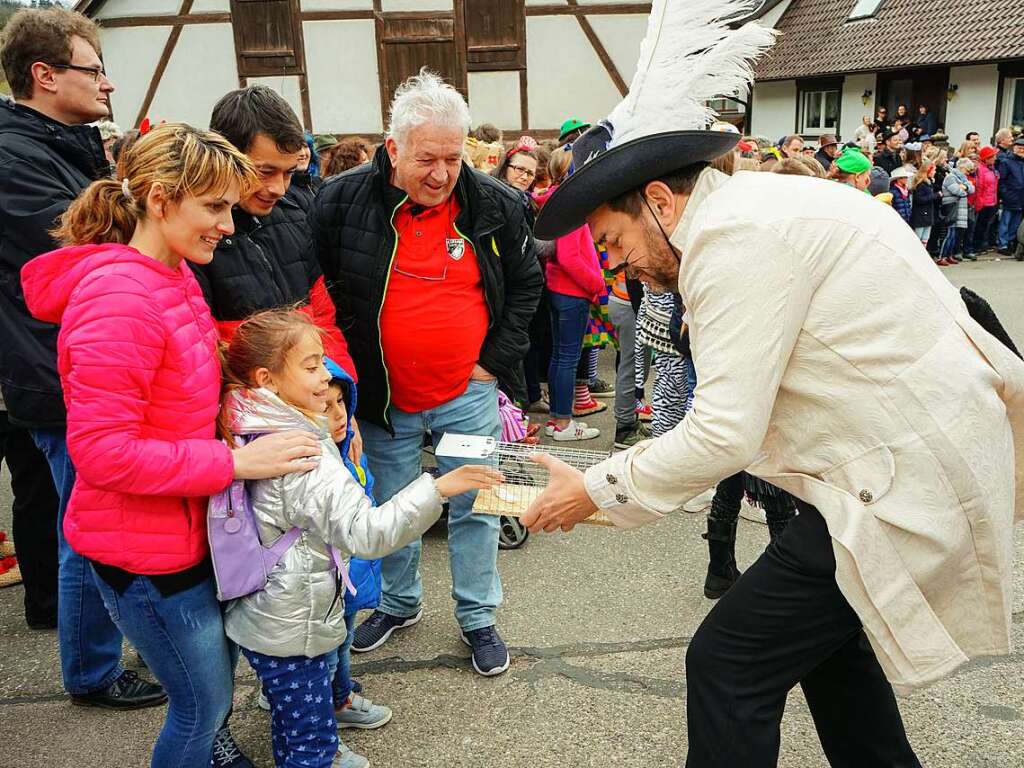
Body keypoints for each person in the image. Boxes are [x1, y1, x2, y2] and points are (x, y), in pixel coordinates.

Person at [528, 3, 1024, 764]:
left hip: (899, 481)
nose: (617, 268)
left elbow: (724, 429)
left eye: (615, 241)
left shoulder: (732, 241)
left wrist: (594, 487)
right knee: (827, 654)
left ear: (659, 202)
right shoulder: (764, 207)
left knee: (726, 664)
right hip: (886, 469)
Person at [21, 123, 323, 768]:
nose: (229, 226)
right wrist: (236, 462)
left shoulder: (173, 274)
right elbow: (103, 454)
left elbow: (181, 391)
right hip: (146, 556)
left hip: (184, 532)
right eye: (214, 207)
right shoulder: (119, 299)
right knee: (201, 709)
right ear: (160, 200)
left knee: (208, 699)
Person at [308, 69, 542, 676]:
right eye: (426, 159)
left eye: (453, 158)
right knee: (393, 505)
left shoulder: (498, 201)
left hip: (468, 392)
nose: (441, 174)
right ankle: (398, 602)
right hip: (385, 396)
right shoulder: (339, 201)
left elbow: (526, 288)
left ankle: (479, 615)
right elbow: (321, 293)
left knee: (481, 502)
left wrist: (493, 364)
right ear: (392, 150)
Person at [219, 309, 501, 768]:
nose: (323, 376)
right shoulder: (302, 453)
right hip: (293, 625)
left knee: (295, 723)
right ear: (267, 379)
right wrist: (440, 487)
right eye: (310, 366)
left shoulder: (251, 422)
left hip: (270, 613)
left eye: (321, 361)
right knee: (311, 743)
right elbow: (366, 533)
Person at [0, 6, 166, 711]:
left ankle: (94, 659)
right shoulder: (12, 155)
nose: (109, 85)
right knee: (91, 531)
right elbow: (86, 245)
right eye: (94, 69)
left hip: (77, 363)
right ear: (44, 76)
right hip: (58, 370)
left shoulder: (62, 143)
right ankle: (94, 672)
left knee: (87, 524)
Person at [191, 85, 357, 383]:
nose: (279, 188)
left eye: (289, 172)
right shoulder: (196, 235)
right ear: (227, 155)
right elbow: (204, 352)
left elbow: (324, 322)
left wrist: (339, 393)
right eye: (264, 172)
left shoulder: (296, 215)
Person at [940, 157, 975, 264]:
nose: (968, 173)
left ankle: (949, 255)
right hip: (952, 209)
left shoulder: (962, 179)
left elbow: (972, 189)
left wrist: (964, 187)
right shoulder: (951, 177)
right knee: (949, 234)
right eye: (967, 170)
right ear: (962, 167)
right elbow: (958, 191)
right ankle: (942, 256)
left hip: (960, 209)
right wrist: (966, 188)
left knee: (955, 234)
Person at [995, 136, 1024, 254]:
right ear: (1014, 148)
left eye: (1023, 148)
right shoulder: (1006, 162)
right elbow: (1001, 181)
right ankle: (1003, 244)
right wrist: (1005, 195)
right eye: (1019, 148)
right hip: (1010, 197)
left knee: (1016, 223)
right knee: (1005, 222)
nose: (1022, 150)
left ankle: (1011, 242)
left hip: (1021, 198)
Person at [972, 145, 1000, 256]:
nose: (995, 158)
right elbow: (980, 188)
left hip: (991, 201)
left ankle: (981, 245)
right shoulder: (981, 170)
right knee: (980, 225)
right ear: (987, 158)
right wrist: (979, 203)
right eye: (993, 156)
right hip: (983, 202)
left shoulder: (991, 169)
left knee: (985, 225)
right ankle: (976, 246)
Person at [910, 161, 939, 251]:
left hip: (928, 215)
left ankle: (923, 255)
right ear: (928, 171)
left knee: (925, 238)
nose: (935, 172)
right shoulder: (921, 184)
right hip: (921, 216)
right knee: (918, 238)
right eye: (934, 170)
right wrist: (935, 195)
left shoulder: (929, 183)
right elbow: (919, 199)